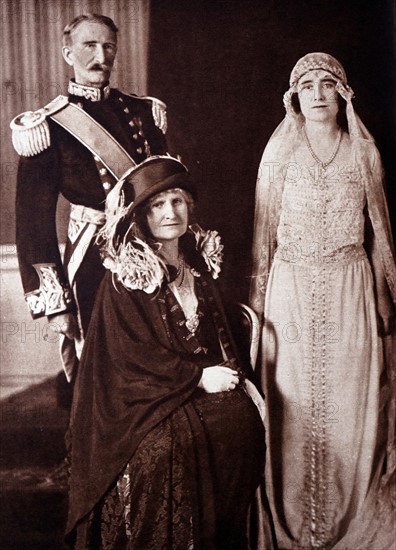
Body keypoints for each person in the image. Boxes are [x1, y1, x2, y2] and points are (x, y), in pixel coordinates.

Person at [65, 156, 267, 549]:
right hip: (133, 400)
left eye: (177, 201)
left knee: (239, 421)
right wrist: (198, 378)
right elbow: (130, 357)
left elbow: (220, 335)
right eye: (157, 205)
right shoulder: (126, 276)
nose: (170, 212)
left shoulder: (197, 265)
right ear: (141, 216)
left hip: (184, 387)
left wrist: (239, 376)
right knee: (165, 449)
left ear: (190, 207)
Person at [249, 52, 396, 549]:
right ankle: (293, 522)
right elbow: (263, 242)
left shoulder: (364, 154)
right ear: (294, 95)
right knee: (293, 405)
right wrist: (259, 310)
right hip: (289, 292)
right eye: (306, 84)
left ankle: (348, 520)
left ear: (343, 94)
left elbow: (377, 236)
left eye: (327, 83)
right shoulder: (278, 156)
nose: (317, 93)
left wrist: (381, 300)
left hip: (350, 290)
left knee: (351, 405)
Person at [11, 13, 168, 384]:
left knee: (157, 361)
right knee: (102, 371)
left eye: (108, 45)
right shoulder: (47, 125)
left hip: (150, 251)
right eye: (89, 45)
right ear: (68, 53)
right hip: (93, 263)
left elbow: (166, 190)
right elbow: (33, 223)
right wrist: (56, 305)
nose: (102, 55)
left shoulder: (143, 112)